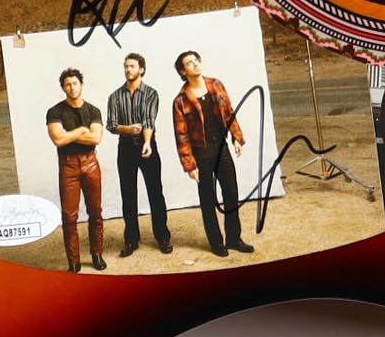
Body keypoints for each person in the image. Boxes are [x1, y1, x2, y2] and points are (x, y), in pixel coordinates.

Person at [170, 50, 253, 257]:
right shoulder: (180, 101)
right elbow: (181, 136)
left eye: (196, 60)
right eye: (189, 63)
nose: (195, 64)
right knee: (208, 198)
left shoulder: (216, 84)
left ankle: (234, 239)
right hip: (202, 152)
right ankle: (216, 242)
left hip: (221, 147)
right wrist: (190, 165)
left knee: (231, 192)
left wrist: (237, 137)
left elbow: (229, 111)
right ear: (183, 71)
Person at [105, 52, 173, 257]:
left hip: (147, 145)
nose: (128, 69)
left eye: (132, 66)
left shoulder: (151, 93)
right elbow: (111, 125)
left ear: (141, 69)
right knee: (128, 194)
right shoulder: (115, 96)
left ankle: (162, 237)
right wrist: (127, 129)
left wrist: (147, 142)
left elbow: (149, 120)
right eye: (126, 66)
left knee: (155, 192)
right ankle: (131, 240)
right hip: (125, 148)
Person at [45, 67, 107, 272]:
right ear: (63, 88)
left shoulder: (93, 111)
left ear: (81, 85)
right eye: (68, 85)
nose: (72, 88)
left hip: (91, 163)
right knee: (69, 216)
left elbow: (96, 137)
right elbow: (58, 139)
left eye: (75, 83)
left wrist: (69, 135)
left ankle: (97, 254)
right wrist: (81, 130)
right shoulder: (55, 112)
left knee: (95, 212)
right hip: (68, 165)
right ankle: (74, 261)